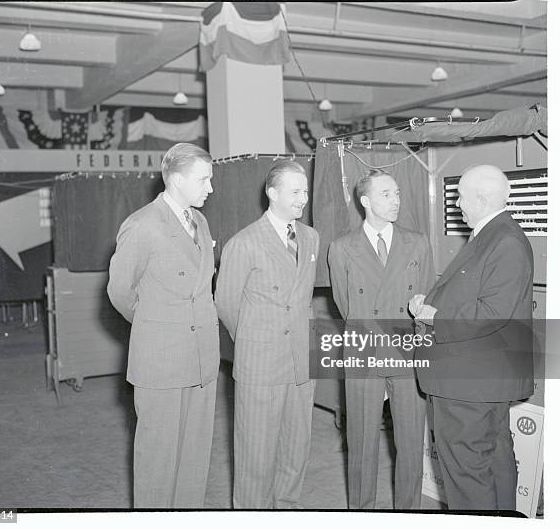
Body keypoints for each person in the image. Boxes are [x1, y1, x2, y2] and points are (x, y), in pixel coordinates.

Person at [410, 164, 534, 510]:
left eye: (461, 196)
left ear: (480, 198)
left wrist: (436, 316)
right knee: (494, 462)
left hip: (470, 384)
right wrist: (430, 302)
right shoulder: (491, 235)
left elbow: (495, 312)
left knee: (466, 476)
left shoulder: (504, 240)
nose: (457, 204)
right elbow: (477, 296)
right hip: (480, 380)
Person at [107, 142, 219, 508]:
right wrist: (156, 326)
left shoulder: (199, 221)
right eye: (203, 180)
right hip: (162, 358)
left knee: (194, 459)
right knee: (158, 461)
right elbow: (121, 291)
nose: (210, 188)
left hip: (202, 357)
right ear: (174, 180)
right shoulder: (141, 225)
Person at [328, 168, 435, 509]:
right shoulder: (342, 248)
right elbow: (346, 305)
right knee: (361, 444)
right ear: (365, 201)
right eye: (386, 194)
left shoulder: (417, 242)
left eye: (398, 193)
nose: (396, 200)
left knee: (409, 442)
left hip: (407, 353)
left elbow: (426, 297)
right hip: (363, 351)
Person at [215, 159, 319, 509]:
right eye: (295, 191)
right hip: (260, 365)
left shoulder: (311, 237)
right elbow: (227, 305)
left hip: (302, 365)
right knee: (255, 459)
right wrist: (256, 341)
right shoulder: (243, 243)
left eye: (305, 191)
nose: (303, 198)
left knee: (295, 453)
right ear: (272, 193)